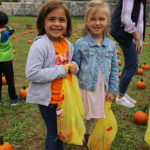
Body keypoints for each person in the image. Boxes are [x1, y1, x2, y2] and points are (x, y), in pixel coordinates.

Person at [25, 0, 77, 150]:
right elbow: (32, 73)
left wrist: (74, 66)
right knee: (53, 134)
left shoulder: (67, 44)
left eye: (62, 20)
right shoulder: (40, 45)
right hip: (48, 101)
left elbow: (69, 63)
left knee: (61, 133)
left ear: (67, 23)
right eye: (51, 19)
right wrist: (61, 70)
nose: (57, 24)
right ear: (43, 21)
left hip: (64, 99)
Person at [72, 0, 119, 149]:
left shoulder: (111, 45)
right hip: (84, 89)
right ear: (86, 21)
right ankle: (79, 137)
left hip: (101, 90)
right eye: (93, 19)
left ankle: (87, 136)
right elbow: (75, 66)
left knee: (93, 116)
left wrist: (112, 89)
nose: (97, 23)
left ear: (107, 21)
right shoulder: (80, 44)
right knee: (81, 115)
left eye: (101, 19)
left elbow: (114, 69)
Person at [110, 0, 146, 108]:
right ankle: (120, 97)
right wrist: (137, 37)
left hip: (134, 39)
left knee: (128, 66)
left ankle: (122, 93)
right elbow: (126, 20)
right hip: (128, 36)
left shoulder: (140, 2)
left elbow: (140, 21)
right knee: (133, 67)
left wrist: (140, 41)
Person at [0, 11, 18, 106]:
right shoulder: (7, 32)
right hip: (6, 60)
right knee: (10, 80)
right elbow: (12, 31)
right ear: (5, 24)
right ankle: (13, 99)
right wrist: (4, 28)